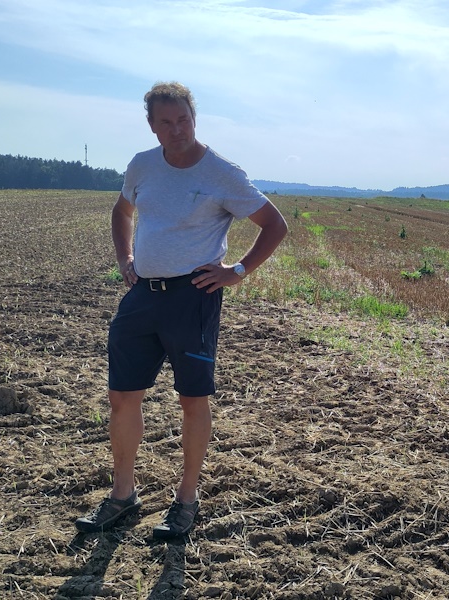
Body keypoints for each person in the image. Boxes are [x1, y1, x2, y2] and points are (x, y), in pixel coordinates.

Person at [75, 81, 288, 539]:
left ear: (195, 118)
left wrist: (238, 269)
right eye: (166, 123)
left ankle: (186, 499)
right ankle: (122, 495)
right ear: (152, 127)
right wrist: (124, 258)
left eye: (184, 120)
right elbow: (122, 211)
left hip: (193, 299)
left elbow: (275, 224)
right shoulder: (142, 165)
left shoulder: (222, 173)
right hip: (142, 297)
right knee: (121, 398)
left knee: (193, 400)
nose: (177, 130)